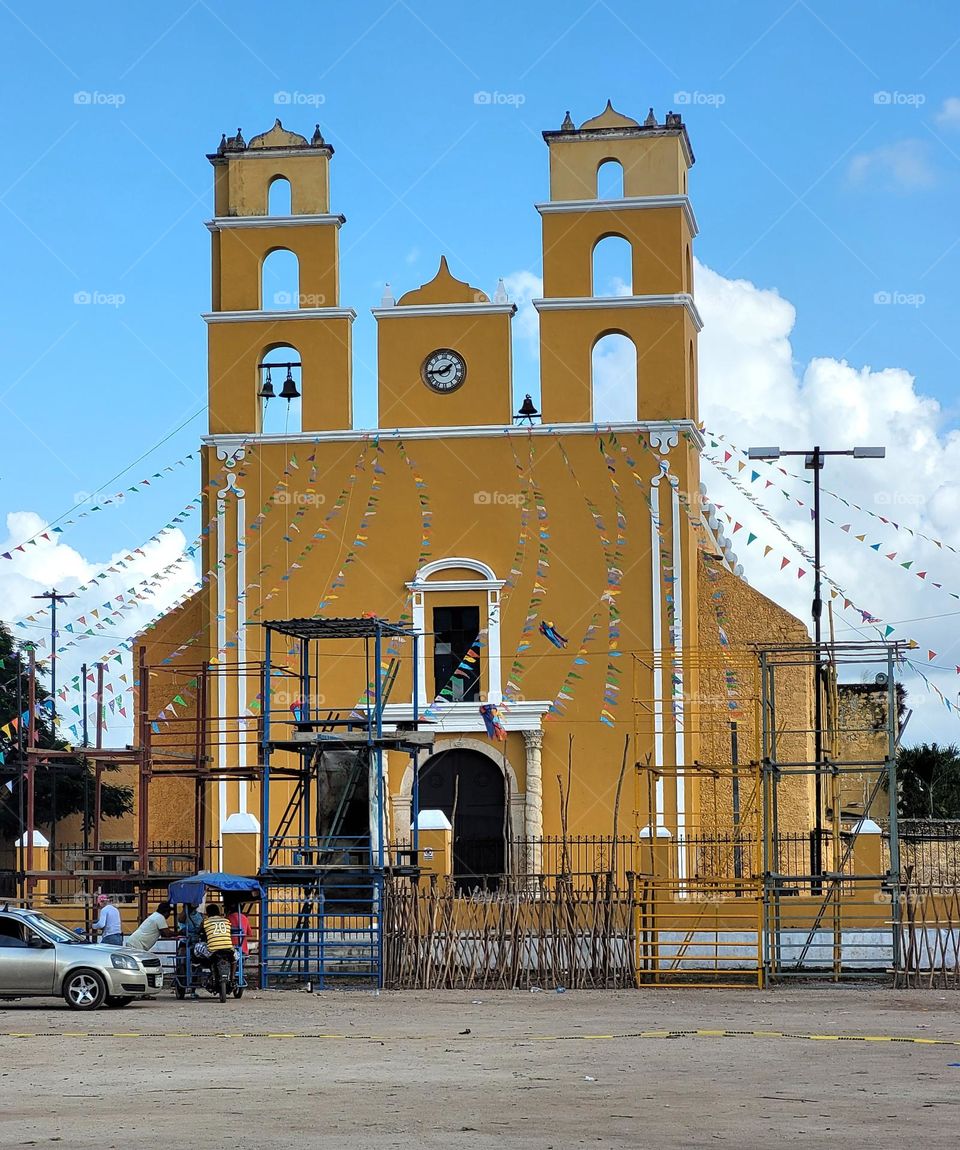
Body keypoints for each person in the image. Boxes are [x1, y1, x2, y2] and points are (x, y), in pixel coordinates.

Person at [200, 903, 236, 979]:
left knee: (197, 948)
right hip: (228, 948)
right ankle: (233, 976)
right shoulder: (226, 921)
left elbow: (200, 931)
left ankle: (197, 964)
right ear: (219, 912)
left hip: (213, 950)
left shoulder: (206, 921)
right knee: (236, 957)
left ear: (207, 913)